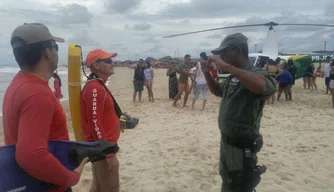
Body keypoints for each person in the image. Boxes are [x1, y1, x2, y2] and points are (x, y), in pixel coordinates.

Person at [2, 23, 88, 192]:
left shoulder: (19, 84)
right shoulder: (37, 93)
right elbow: (31, 155)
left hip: (29, 182)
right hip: (48, 186)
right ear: (48, 53)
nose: (57, 52)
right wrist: (70, 178)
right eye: (55, 47)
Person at [201, 33, 275, 192]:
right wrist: (207, 73)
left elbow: (263, 87)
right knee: (228, 182)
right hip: (227, 142)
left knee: (239, 184)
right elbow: (217, 90)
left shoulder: (255, 74)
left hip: (242, 147)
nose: (221, 56)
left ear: (238, 51)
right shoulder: (233, 77)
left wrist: (226, 66)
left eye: (224, 52)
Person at [80, 49, 122, 192]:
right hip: (102, 150)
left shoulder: (98, 85)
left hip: (102, 147)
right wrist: (109, 154)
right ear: (96, 65)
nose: (113, 64)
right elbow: (94, 122)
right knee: (110, 187)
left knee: (98, 187)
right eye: (108, 61)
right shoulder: (94, 88)